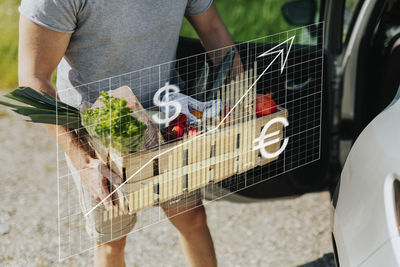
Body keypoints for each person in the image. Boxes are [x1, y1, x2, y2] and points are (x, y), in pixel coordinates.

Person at [18, 0, 242, 266]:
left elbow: (214, 30)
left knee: (191, 216)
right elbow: (32, 78)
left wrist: (239, 96)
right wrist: (84, 162)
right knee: (113, 240)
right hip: (100, 128)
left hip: (168, 114)